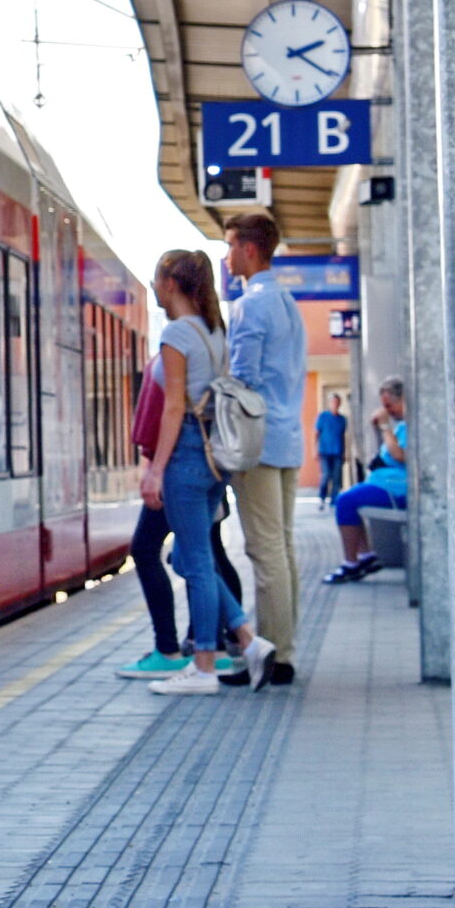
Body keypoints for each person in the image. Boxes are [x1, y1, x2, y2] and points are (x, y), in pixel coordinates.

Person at [115, 250, 254, 684]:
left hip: (188, 456)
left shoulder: (177, 333)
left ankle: (205, 667)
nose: (154, 288)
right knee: (199, 559)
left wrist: (156, 469)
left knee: (194, 564)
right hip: (216, 457)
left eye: (157, 280)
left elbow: (174, 407)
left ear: (171, 283)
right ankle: (250, 640)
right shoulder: (214, 331)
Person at [221, 208, 306, 688]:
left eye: (231, 244)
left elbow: (243, 378)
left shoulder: (251, 304)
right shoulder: (288, 302)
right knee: (285, 547)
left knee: (265, 549)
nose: (227, 255)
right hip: (288, 436)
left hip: (257, 443)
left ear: (249, 249)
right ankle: (285, 648)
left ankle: (272, 654)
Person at [324, 379, 407, 583]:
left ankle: (351, 563)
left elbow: (400, 455)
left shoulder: (409, 425)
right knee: (349, 499)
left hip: (398, 489)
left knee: (346, 501)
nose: (387, 411)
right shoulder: (402, 426)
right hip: (385, 483)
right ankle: (365, 556)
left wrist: (386, 427)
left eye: (390, 405)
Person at [314, 391, 348, 506]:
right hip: (324, 451)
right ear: (329, 403)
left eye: (337, 402)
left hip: (337, 451)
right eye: (333, 402)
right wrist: (315, 450)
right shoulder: (323, 417)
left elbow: (343, 436)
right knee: (326, 475)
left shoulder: (342, 419)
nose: (335, 404)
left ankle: (334, 500)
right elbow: (316, 434)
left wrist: (344, 451)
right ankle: (322, 497)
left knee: (337, 477)